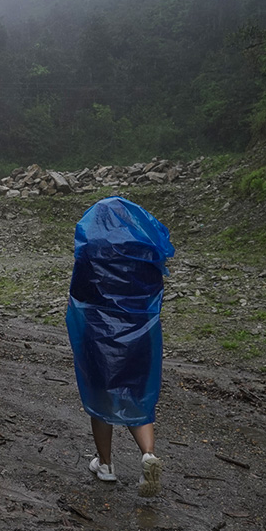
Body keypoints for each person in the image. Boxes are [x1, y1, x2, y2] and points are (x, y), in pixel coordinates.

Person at [65, 196, 175, 497]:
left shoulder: (92, 248)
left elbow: (80, 291)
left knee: (101, 398)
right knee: (137, 395)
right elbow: (156, 292)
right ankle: (148, 455)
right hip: (141, 334)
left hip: (101, 334)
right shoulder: (144, 247)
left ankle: (106, 464)